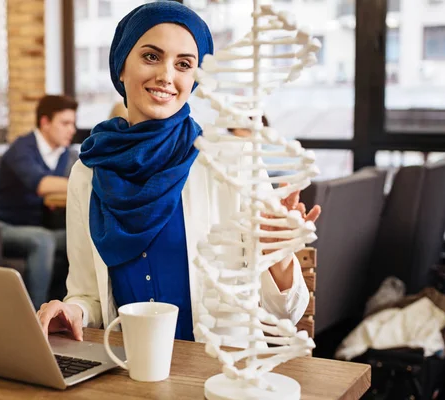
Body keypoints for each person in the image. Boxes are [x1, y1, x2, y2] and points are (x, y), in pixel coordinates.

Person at [37, 2, 321, 341]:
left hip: (214, 373)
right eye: (151, 57)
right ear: (121, 67)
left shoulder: (234, 161)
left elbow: (286, 312)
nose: (166, 76)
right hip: (129, 370)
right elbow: (88, 295)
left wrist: (279, 258)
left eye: (184, 64)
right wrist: (73, 311)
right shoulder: (87, 172)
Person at [0, 95, 79, 309]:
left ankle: (70, 310)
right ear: (45, 123)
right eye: (65, 123)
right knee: (43, 240)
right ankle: (36, 317)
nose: (72, 130)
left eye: (73, 123)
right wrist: (82, 183)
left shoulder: (64, 154)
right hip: (0, 226)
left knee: (81, 237)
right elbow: (42, 185)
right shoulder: (22, 148)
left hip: (34, 226)